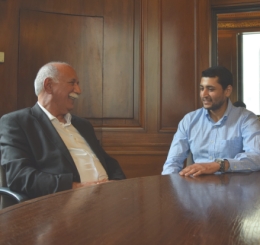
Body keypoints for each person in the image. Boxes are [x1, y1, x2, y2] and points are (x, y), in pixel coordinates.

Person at [0, 62, 125, 198]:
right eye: (72, 83)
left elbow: (108, 162)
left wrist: (118, 185)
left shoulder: (83, 125)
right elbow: (19, 176)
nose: (78, 90)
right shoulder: (17, 122)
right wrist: (75, 187)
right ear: (49, 86)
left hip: (106, 200)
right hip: (62, 205)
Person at [162, 66, 260, 177]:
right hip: (197, 190)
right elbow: (172, 163)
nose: (204, 94)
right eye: (202, 88)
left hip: (233, 190)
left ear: (227, 91)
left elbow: (256, 158)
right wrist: (169, 189)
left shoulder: (246, 119)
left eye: (210, 89)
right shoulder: (189, 120)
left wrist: (220, 165)